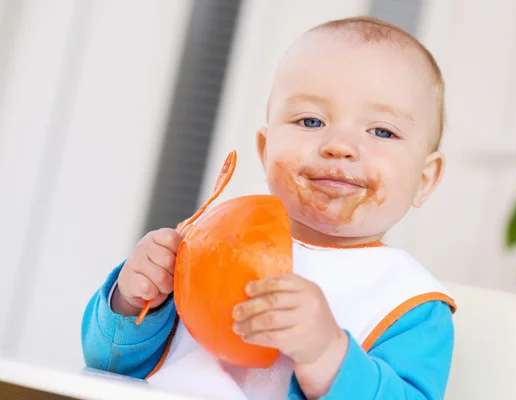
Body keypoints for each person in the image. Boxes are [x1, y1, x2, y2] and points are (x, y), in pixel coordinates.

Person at [81, 16, 457, 400]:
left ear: (425, 179)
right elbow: (106, 365)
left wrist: (329, 355)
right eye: (311, 120)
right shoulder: (211, 242)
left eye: (382, 131)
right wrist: (131, 300)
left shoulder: (410, 303)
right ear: (265, 151)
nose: (339, 145)